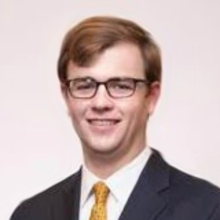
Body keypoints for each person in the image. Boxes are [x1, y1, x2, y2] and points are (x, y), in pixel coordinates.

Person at [11, 16, 220, 220]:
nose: (101, 103)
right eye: (85, 85)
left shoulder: (209, 209)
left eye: (121, 86)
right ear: (66, 97)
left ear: (151, 97)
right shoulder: (30, 214)